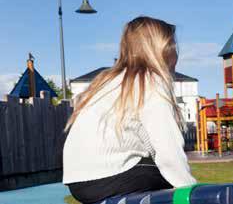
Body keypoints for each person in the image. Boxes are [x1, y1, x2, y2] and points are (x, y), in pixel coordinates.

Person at [62, 16, 196, 203]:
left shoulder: (108, 80)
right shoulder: (149, 81)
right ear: (163, 50)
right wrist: (188, 189)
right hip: (110, 175)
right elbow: (166, 143)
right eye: (173, 46)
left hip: (77, 180)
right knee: (165, 173)